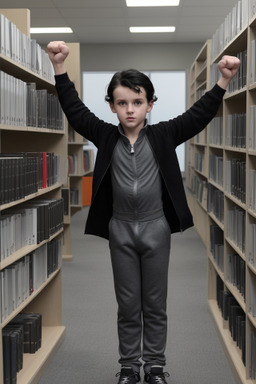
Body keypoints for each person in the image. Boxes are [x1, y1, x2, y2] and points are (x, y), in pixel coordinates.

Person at [47, 41, 240, 384]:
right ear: (112, 107)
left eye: (138, 102)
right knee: (127, 305)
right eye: (122, 103)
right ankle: (127, 367)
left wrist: (222, 81)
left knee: (154, 304)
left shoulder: (163, 135)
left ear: (150, 105)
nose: (130, 110)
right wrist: (60, 68)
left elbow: (199, 115)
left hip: (156, 230)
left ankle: (153, 366)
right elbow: (74, 110)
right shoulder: (106, 137)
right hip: (120, 230)